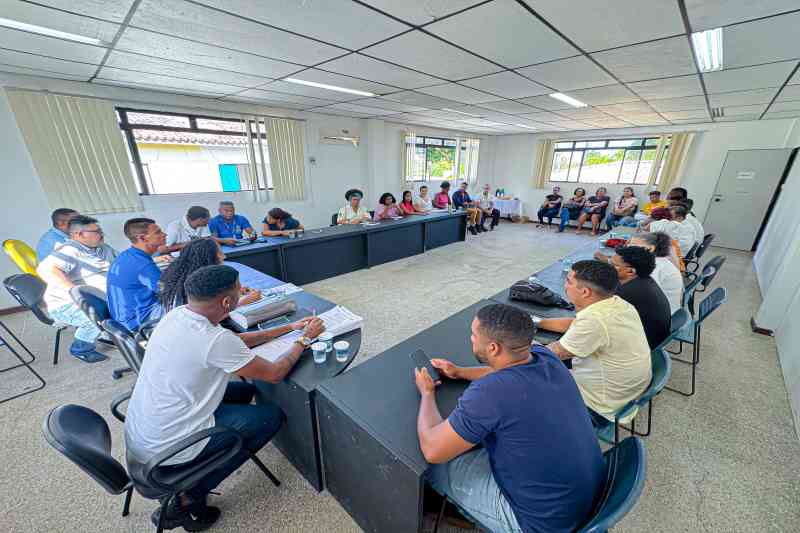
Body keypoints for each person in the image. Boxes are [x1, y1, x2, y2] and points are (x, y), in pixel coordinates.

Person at [124, 264, 325, 530]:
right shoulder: (213, 338)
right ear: (228, 302)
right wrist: (305, 340)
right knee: (270, 417)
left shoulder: (178, 315)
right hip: (169, 447)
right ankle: (187, 498)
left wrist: (291, 328)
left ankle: (210, 457)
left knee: (245, 391)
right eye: (239, 291)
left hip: (147, 429)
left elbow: (236, 341)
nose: (243, 294)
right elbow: (275, 373)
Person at [415, 304, 604, 533]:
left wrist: (427, 394)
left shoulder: (490, 393)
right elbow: (502, 372)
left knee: (431, 470)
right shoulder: (546, 356)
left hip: (542, 523)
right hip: (585, 499)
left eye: (474, 335)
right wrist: (460, 372)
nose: (471, 338)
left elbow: (433, 450)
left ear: (493, 348)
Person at [534, 260, 651, 427]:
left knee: (525, 377)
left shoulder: (595, 320)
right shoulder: (618, 304)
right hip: (626, 394)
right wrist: (537, 322)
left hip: (599, 407)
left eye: (568, 281)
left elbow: (554, 353)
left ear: (585, 291)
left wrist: (523, 345)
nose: (565, 285)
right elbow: (575, 324)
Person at [36, 215, 118, 363]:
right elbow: (46, 269)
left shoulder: (103, 248)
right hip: (67, 304)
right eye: (96, 231)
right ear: (78, 235)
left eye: (100, 230)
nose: (102, 234)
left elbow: (120, 263)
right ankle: (81, 348)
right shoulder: (70, 250)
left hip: (102, 297)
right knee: (93, 319)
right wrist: (78, 294)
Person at [160, 239, 261, 312]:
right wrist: (244, 302)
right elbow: (208, 316)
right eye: (220, 253)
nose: (224, 256)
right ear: (209, 259)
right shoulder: (195, 285)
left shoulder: (182, 275)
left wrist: (233, 292)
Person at [107, 218, 168, 332]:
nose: (164, 234)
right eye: (158, 232)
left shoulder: (128, 255)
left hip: (125, 316)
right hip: (138, 320)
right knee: (193, 305)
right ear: (142, 238)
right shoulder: (143, 265)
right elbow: (169, 291)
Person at [611, 246, 671, 349]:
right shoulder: (644, 280)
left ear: (630, 271)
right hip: (652, 339)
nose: (608, 267)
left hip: (641, 347)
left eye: (613, 265)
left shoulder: (628, 293)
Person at [623, 232, 683, 314]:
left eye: (633, 246)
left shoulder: (655, 266)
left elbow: (642, 294)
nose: (629, 249)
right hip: (663, 311)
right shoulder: (659, 261)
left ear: (651, 248)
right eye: (628, 245)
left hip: (660, 316)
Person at [164, 206, 234, 256]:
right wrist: (191, 243)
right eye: (207, 218)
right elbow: (166, 248)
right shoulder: (174, 226)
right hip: (180, 257)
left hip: (199, 255)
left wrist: (224, 240)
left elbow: (207, 238)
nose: (209, 220)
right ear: (200, 219)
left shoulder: (202, 225)